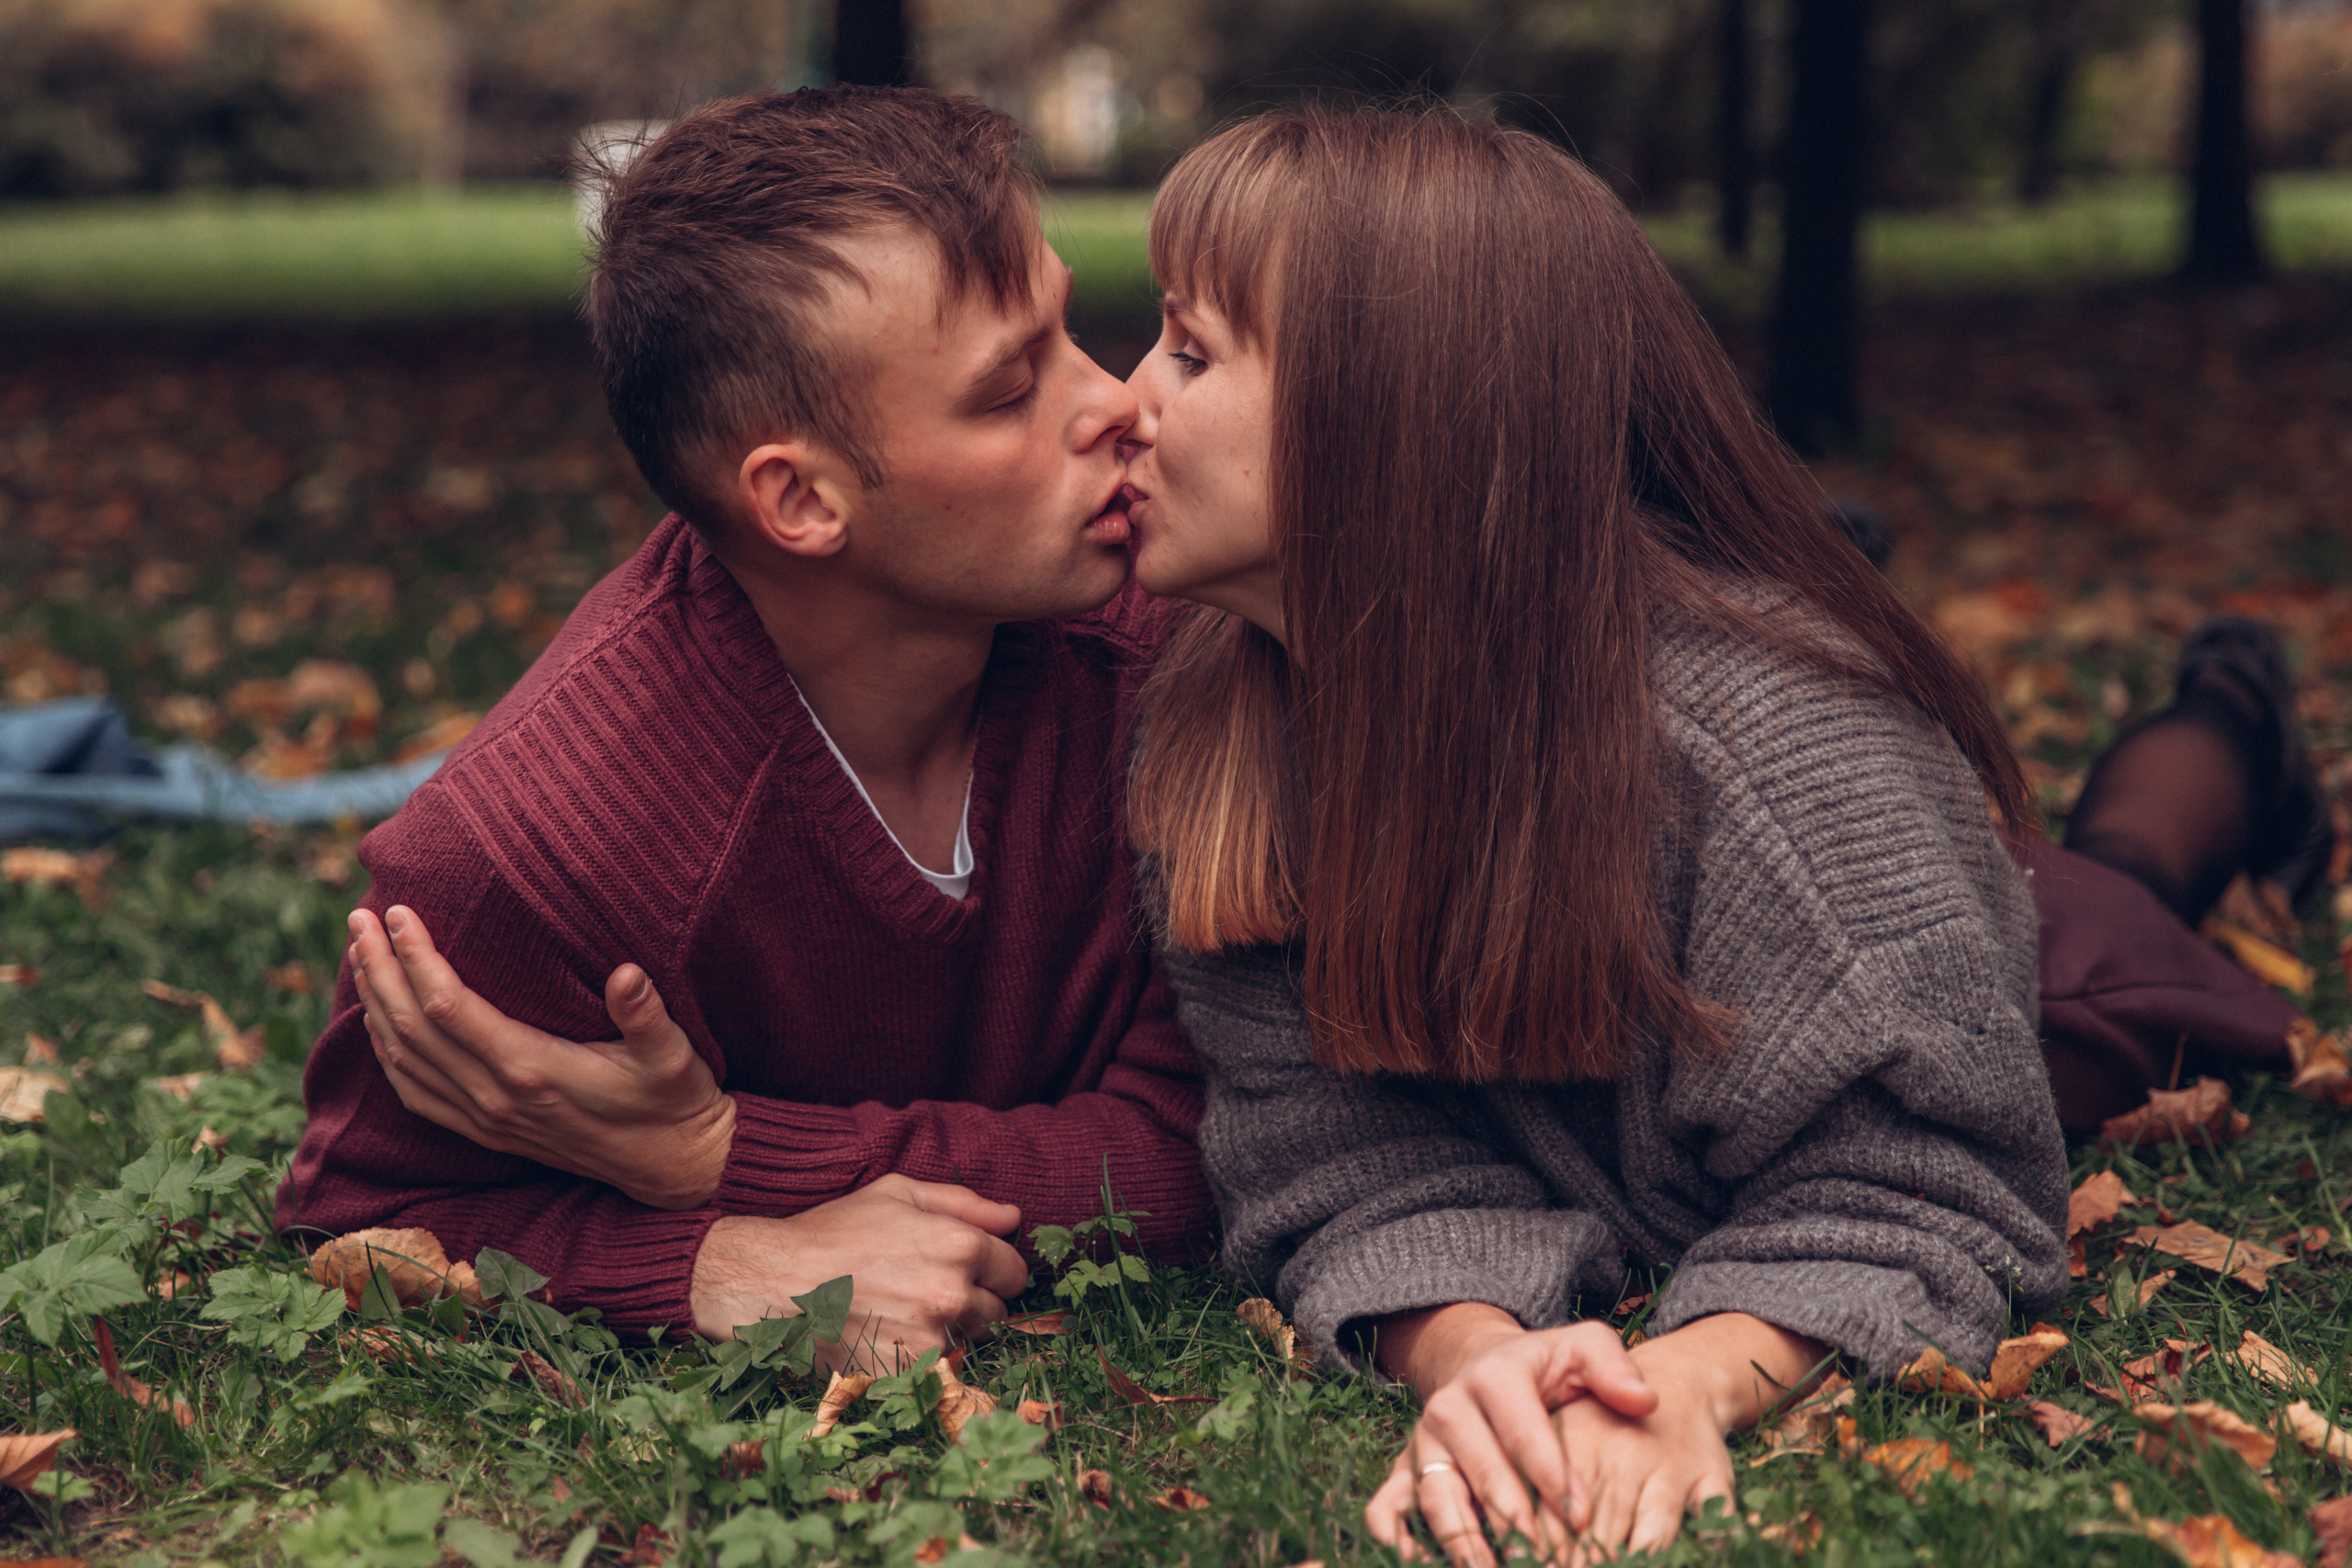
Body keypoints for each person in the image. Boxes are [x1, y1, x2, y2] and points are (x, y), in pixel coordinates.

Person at [276, 86, 1218, 1361]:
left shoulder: (1185, 648)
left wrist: (720, 1157)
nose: (1115, 402)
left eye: (1068, 331)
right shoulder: (531, 858)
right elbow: (366, 1217)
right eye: (1008, 392)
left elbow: (1208, 1140)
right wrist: (722, 1266)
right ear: (801, 500)